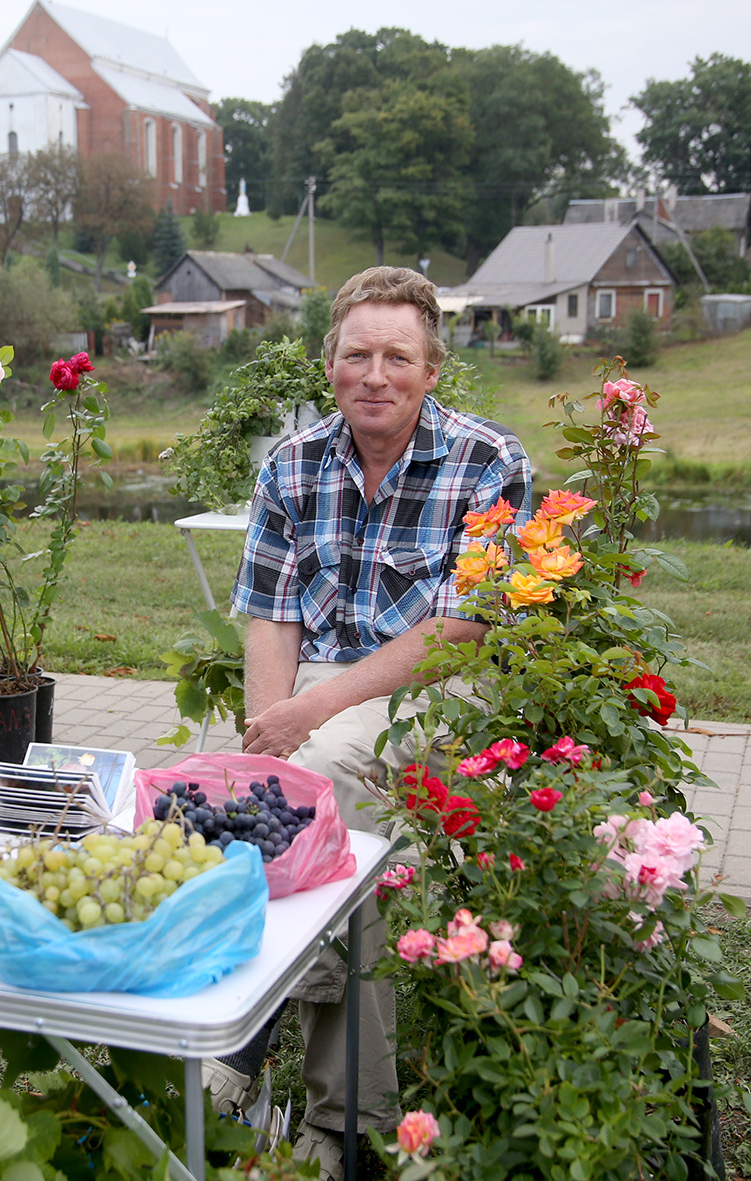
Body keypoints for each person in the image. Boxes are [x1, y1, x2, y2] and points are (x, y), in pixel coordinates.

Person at [208, 266, 532, 1179]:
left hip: (436, 683)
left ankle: (246, 1040)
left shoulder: (488, 461)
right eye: (358, 354)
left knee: (333, 776)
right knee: (230, 794)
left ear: (432, 369)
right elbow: (270, 613)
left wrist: (310, 713)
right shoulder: (291, 463)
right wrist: (269, 723)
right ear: (331, 365)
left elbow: (462, 627)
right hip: (312, 692)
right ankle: (347, 1121)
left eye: (398, 356)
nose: (376, 374)